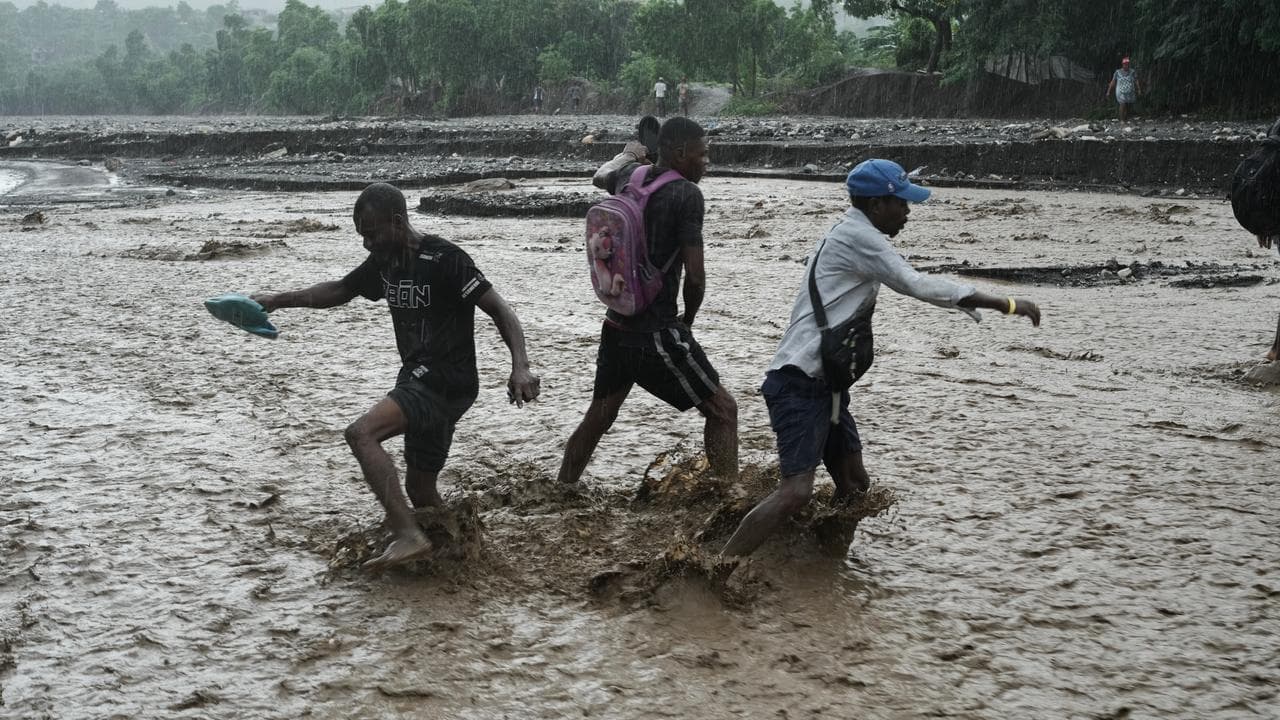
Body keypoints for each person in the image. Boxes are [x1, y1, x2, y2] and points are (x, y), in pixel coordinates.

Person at [720, 160, 1042, 559]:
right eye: (901, 204)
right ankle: (713, 569)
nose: (907, 212)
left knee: (854, 484)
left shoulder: (850, 231)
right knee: (796, 493)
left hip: (824, 383)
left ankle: (824, 567)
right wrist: (1005, 303)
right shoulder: (860, 238)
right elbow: (915, 284)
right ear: (875, 205)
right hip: (800, 382)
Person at [252, 183, 540, 569]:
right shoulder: (386, 261)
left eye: (372, 233)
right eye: (362, 236)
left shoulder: (444, 258)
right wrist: (277, 300)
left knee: (361, 434)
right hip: (421, 379)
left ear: (398, 221)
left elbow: (501, 310)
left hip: (444, 379)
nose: (367, 244)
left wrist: (520, 365)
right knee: (420, 489)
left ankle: (409, 536)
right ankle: (462, 556)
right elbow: (341, 289)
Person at [558, 117, 738, 487]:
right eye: (702, 155)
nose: (707, 163)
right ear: (680, 152)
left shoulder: (629, 177)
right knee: (723, 411)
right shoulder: (687, 195)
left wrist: (628, 153)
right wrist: (688, 320)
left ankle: (562, 489)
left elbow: (600, 174)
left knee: (599, 417)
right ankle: (728, 503)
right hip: (655, 329)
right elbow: (696, 277)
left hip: (617, 324)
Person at [1105, 57, 1142, 122]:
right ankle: (1122, 120)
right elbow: (1113, 81)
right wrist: (1108, 91)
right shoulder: (1117, 72)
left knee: (1129, 105)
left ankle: (1126, 118)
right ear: (1122, 64)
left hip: (1130, 90)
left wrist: (1139, 89)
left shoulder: (1132, 71)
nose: (1126, 65)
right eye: (1125, 64)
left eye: (1127, 64)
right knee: (1122, 104)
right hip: (1120, 91)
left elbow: (1136, 80)